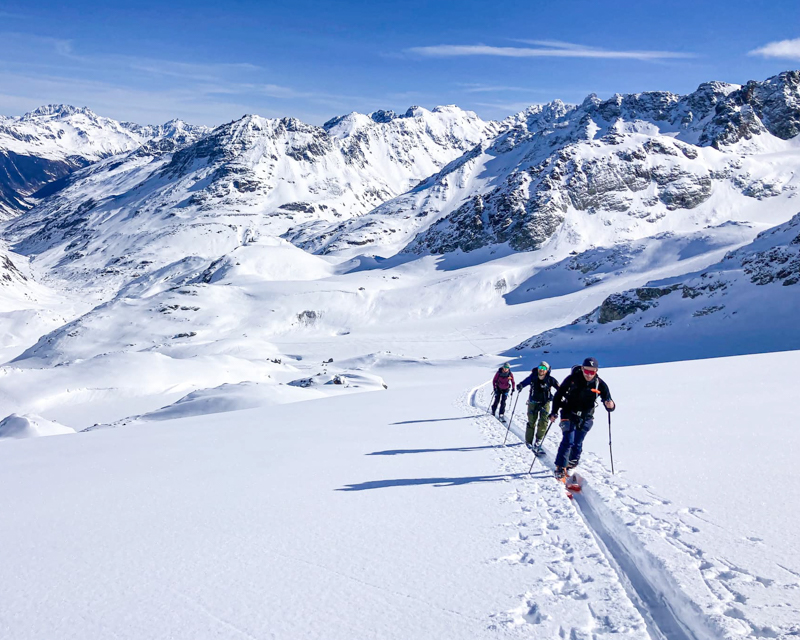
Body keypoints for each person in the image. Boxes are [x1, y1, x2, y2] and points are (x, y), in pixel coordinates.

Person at [549, 357, 615, 479]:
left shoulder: (599, 383)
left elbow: (608, 401)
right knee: (568, 440)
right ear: (582, 369)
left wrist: (610, 405)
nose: (589, 374)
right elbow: (558, 395)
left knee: (577, 442)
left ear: (596, 371)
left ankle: (571, 465)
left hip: (586, 417)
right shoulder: (571, 379)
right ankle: (560, 467)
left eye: (592, 372)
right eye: (586, 371)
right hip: (568, 413)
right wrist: (554, 412)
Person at [516, 362, 560, 453]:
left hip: (545, 403)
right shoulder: (533, 377)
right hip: (533, 402)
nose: (541, 369)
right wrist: (520, 386)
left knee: (543, 422)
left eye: (544, 368)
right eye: (540, 367)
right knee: (531, 422)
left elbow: (560, 388)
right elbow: (524, 382)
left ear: (547, 370)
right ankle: (528, 441)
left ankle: (538, 440)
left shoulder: (550, 380)